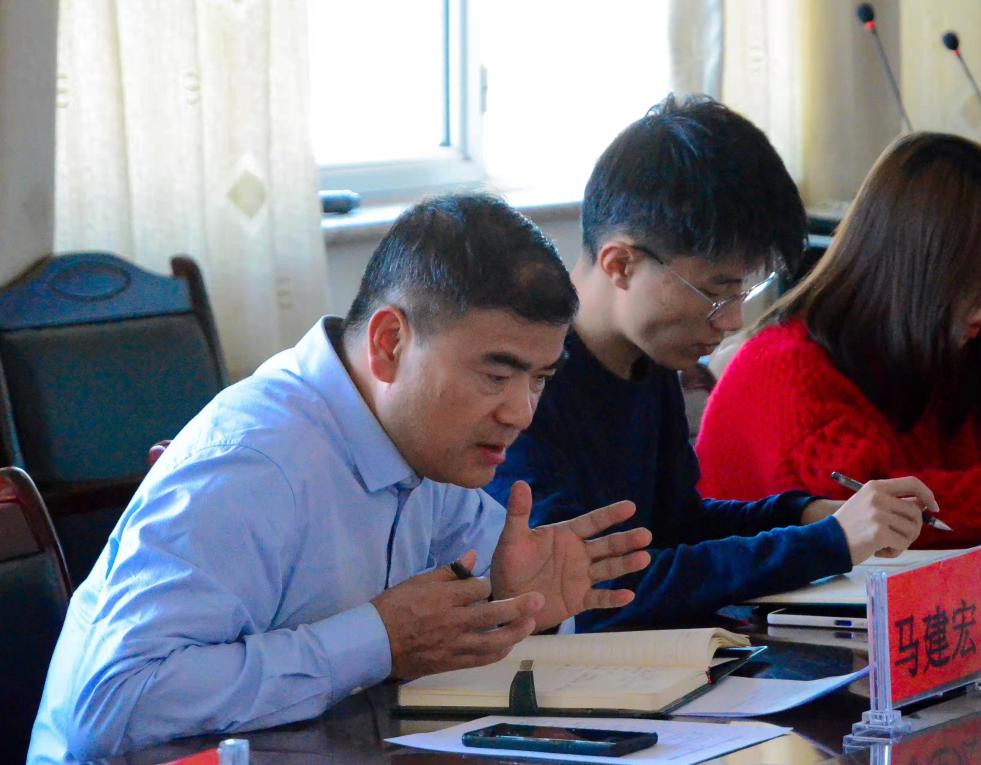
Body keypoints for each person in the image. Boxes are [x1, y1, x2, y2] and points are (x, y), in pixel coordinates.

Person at [29, 195, 653, 763]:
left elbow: (438, 653)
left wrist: (514, 609)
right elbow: (109, 708)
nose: (521, 413)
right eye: (496, 375)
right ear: (389, 343)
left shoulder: (437, 446)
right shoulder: (253, 463)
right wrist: (377, 639)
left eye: (539, 380)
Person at [485, 94, 935, 633]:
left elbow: (677, 526)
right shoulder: (525, 386)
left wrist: (803, 514)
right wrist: (825, 543)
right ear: (621, 264)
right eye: (716, 292)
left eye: (744, 292)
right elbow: (593, 591)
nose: (733, 320)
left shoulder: (646, 359)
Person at [696, 132, 981, 547]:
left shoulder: (941, 355)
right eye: (971, 273)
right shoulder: (786, 368)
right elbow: (881, 523)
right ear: (908, 263)